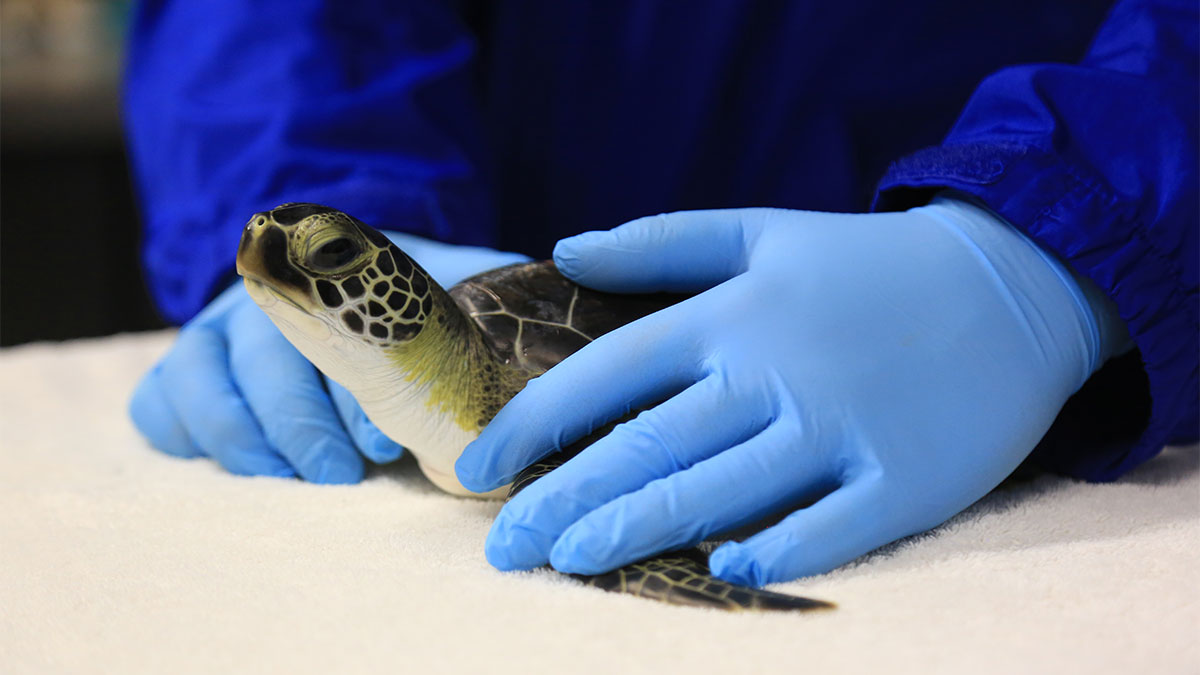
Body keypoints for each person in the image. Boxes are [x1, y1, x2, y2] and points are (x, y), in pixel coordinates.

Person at [125, 1, 1197, 586]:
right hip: (503, 220)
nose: (275, 247)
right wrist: (313, 186)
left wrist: (1058, 248)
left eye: (332, 261)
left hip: (1056, 285)